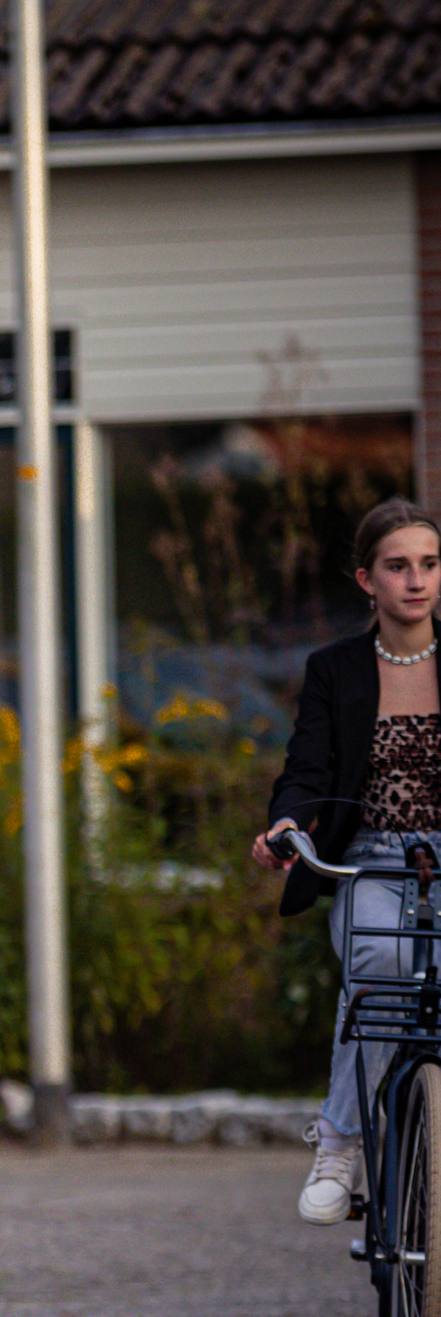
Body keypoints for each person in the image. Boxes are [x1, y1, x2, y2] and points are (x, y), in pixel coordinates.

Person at [255, 498, 441, 1224]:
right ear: (367, 579)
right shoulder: (335, 669)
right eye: (398, 567)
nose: (416, 581)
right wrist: (286, 823)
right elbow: (305, 771)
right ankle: (339, 1144)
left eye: (429, 564)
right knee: (382, 967)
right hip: (370, 862)